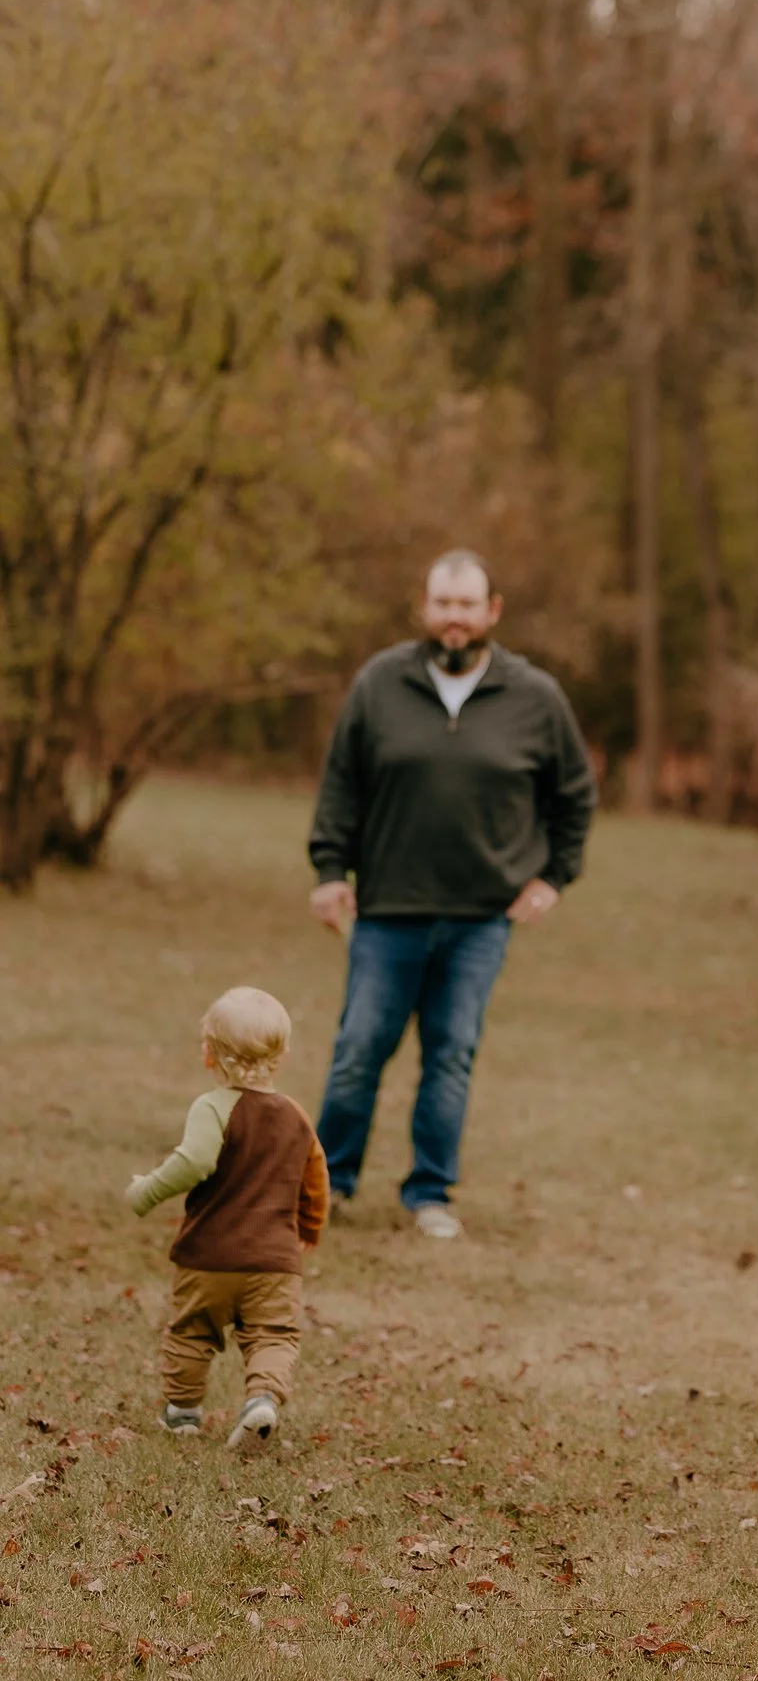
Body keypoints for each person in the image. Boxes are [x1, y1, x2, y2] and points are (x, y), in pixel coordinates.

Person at [308, 549, 597, 1239]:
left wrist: (552, 878)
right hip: (387, 911)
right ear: (424, 608)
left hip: (480, 920)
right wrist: (327, 871)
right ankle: (325, 1185)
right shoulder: (380, 683)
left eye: (467, 605)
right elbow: (340, 783)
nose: (455, 618)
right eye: (443, 604)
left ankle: (429, 1193)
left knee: (450, 1051)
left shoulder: (536, 697)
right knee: (359, 1047)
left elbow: (575, 797)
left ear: (492, 611)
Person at [125, 986, 329, 1448]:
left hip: (209, 1257)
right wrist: (310, 1229)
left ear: (208, 1055)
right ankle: (261, 1401)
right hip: (276, 1262)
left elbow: (195, 1161)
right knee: (273, 1335)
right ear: (283, 1055)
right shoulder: (296, 1115)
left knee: (193, 1332)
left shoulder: (212, 1107)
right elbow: (316, 1176)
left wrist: (146, 1190)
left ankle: (182, 1412)